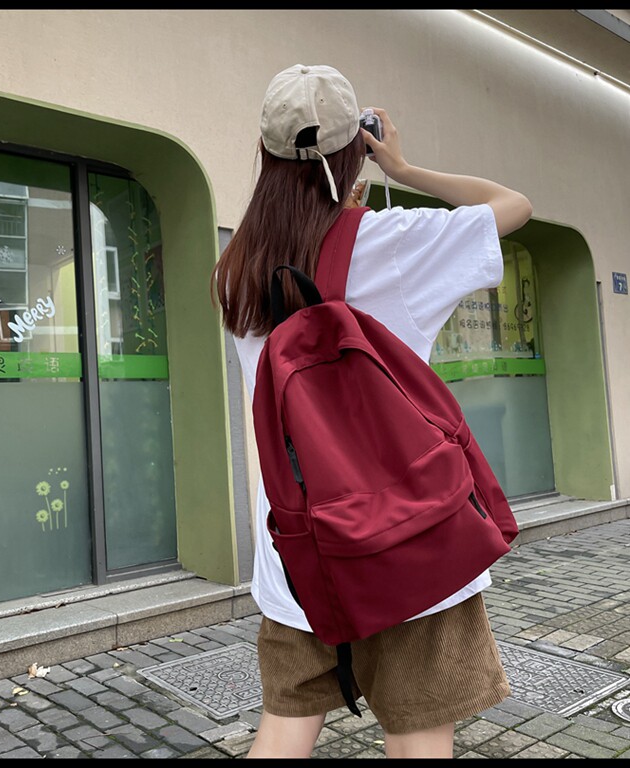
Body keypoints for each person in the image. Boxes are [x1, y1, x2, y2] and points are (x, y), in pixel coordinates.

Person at [211, 63, 532, 760]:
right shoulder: (394, 243)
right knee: (418, 738)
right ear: (355, 147)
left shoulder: (234, 269)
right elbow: (513, 205)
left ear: (265, 153)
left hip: (298, 550)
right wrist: (404, 168)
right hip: (408, 540)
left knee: (283, 729)